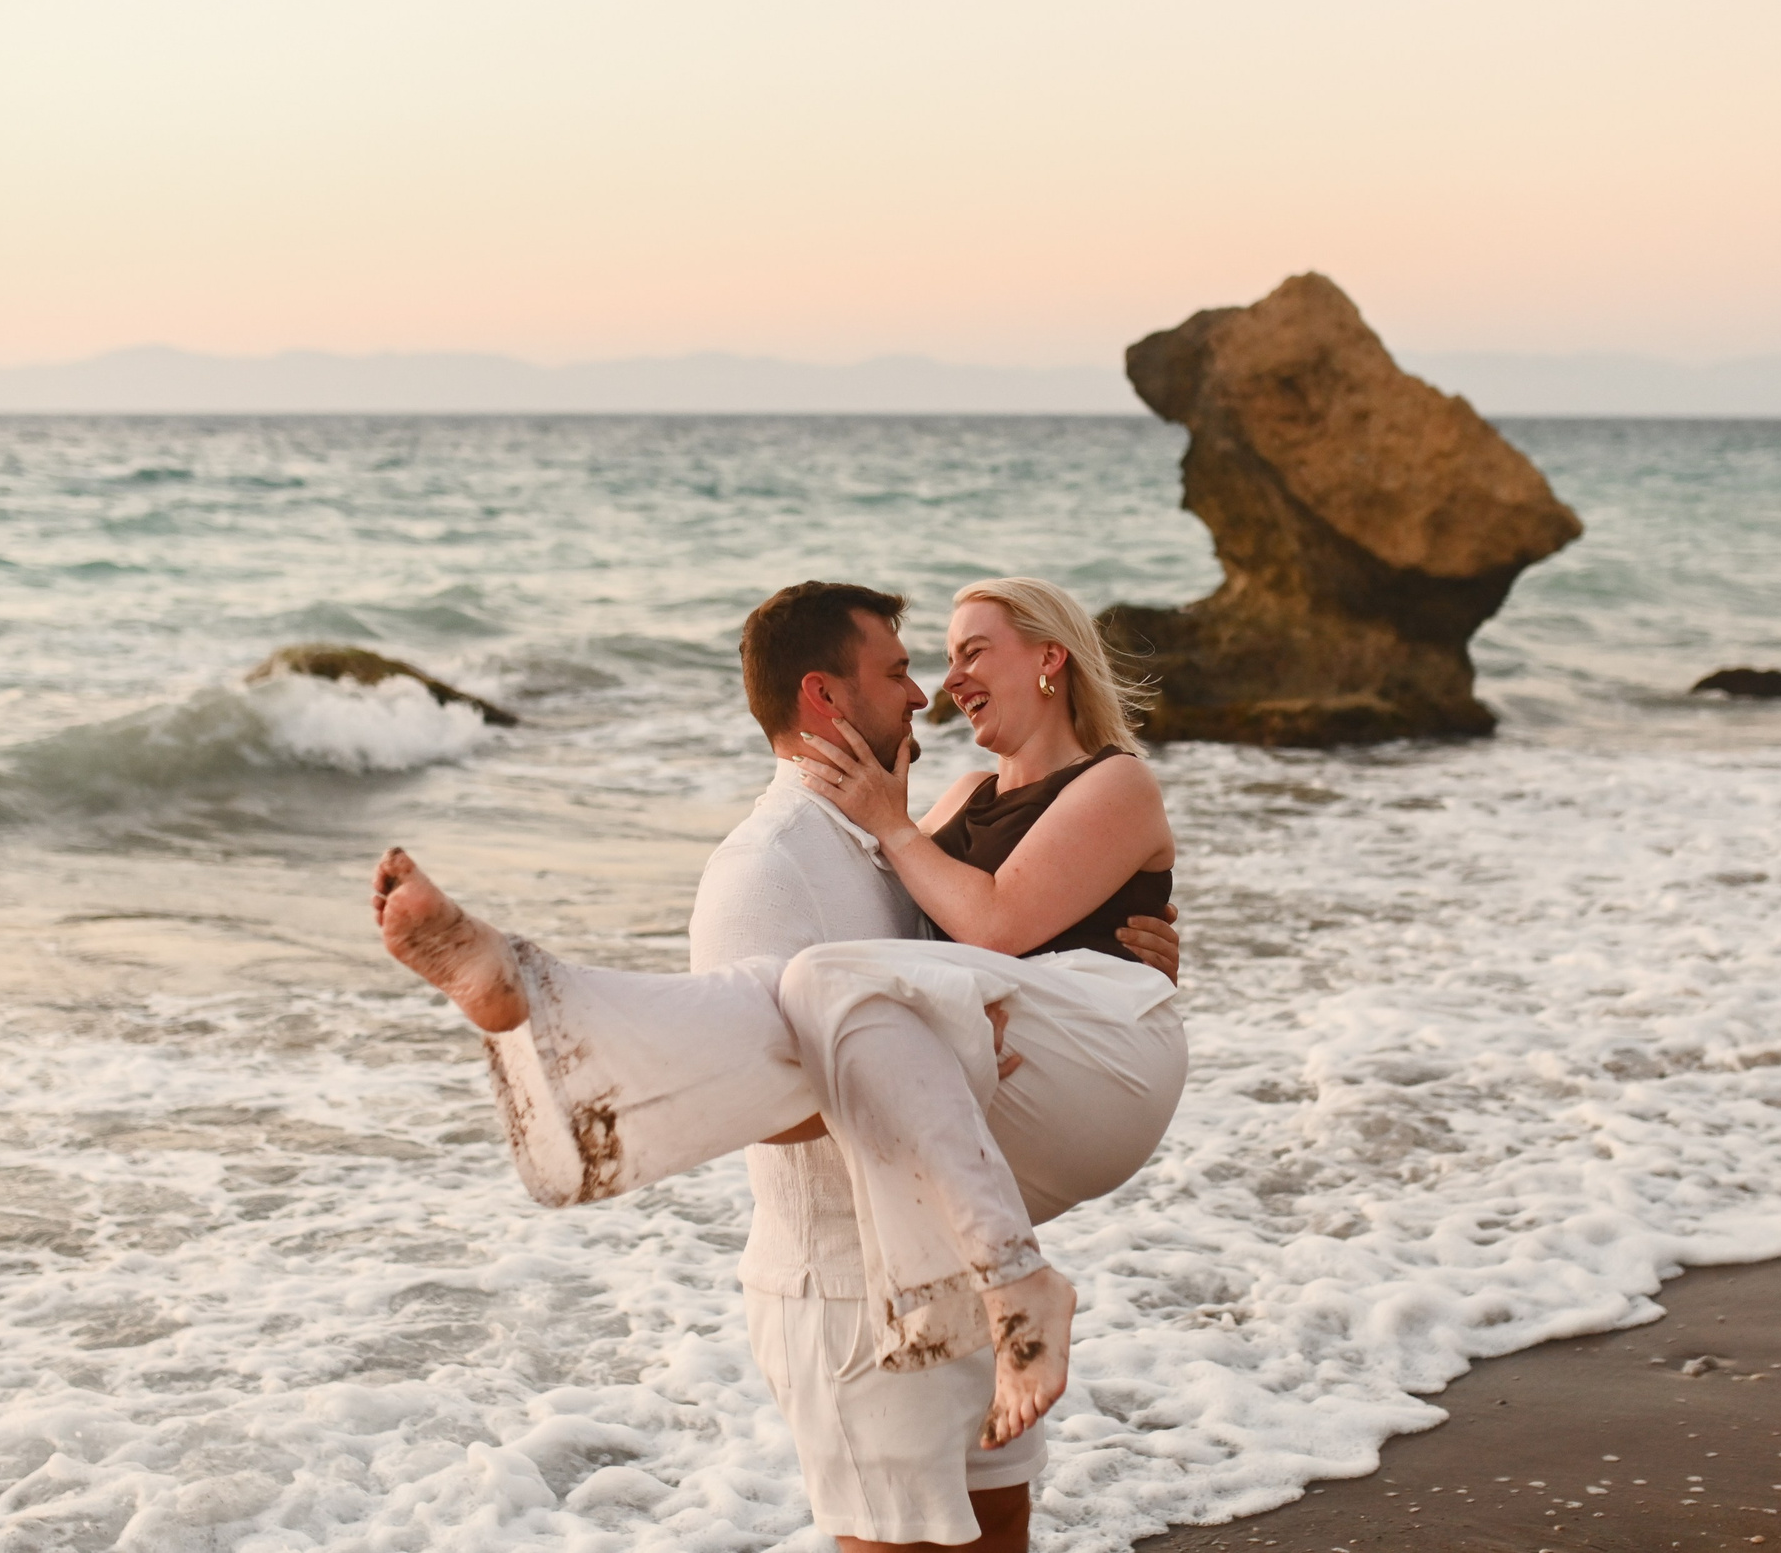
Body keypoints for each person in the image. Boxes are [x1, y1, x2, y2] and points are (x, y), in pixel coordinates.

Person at [373, 578, 1189, 1549]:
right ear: (826, 697)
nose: (927, 689)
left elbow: (999, 933)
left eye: (959, 654)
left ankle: (555, 1012)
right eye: (900, 670)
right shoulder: (766, 866)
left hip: (956, 1250)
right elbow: (761, 1097)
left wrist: (1079, 982)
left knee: (1001, 1525)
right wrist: (949, 1047)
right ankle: (548, 1006)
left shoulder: (888, 840)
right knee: (822, 988)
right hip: (852, 1289)